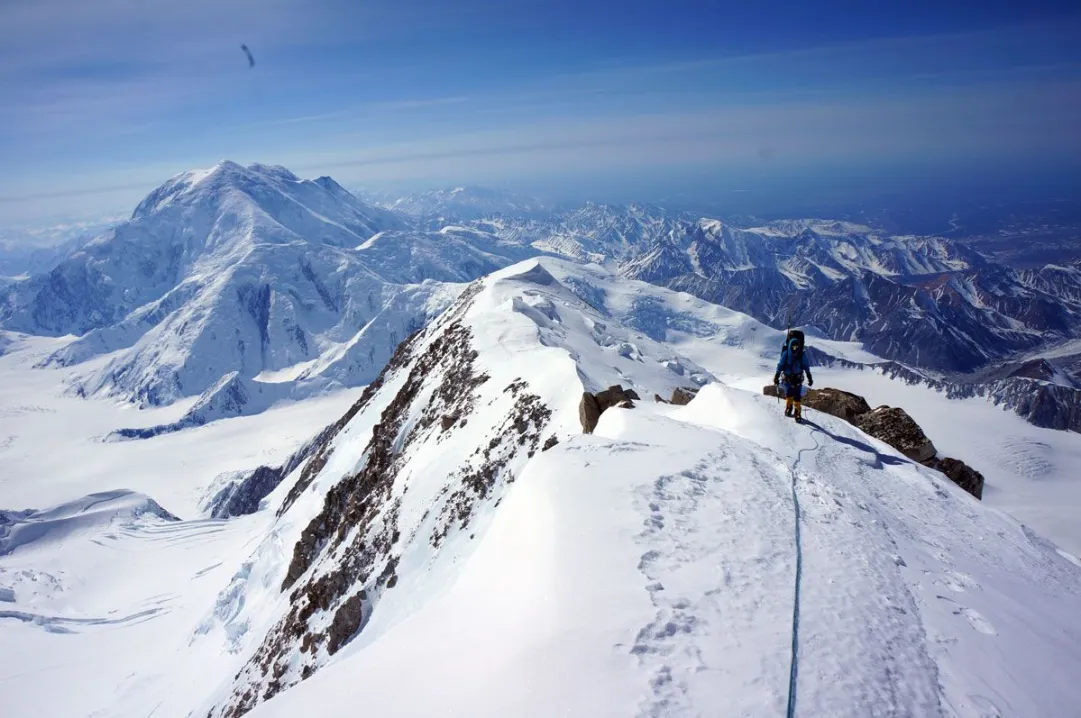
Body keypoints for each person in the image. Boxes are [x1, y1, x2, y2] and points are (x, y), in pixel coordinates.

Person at [773, 330, 813, 422]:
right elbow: (780, 365)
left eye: (797, 346)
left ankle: (796, 412)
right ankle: (790, 408)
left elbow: (806, 366)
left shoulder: (797, 355)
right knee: (789, 394)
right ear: (790, 345)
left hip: (795, 379)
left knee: (796, 396)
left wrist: (809, 376)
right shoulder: (789, 354)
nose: (795, 348)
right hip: (789, 379)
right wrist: (776, 375)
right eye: (794, 346)